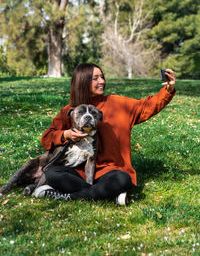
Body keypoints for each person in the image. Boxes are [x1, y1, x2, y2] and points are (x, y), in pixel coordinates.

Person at [33, 63, 176, 205]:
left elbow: (147, 107)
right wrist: (65, 135)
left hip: (110, 171)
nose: (102, 81)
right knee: (52, 174)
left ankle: (69, 196)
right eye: (95, 78)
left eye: (102, 77)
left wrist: (168, 90)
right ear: (82, 81)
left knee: (122, 179)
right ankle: (106, 194)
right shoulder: (71, 110)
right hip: (79, 173)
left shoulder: (118, 104)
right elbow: (46, 138)